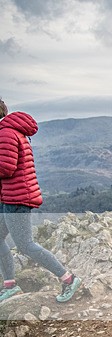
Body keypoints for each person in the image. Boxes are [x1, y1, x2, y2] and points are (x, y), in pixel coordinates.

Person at [0, 98, 82, 303]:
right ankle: (10, 285)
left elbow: (6, 168)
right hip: (10, 196)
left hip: (16, 198)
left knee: (26, 245)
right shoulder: (10, 131)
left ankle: (68, 278)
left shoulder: (6, 133)